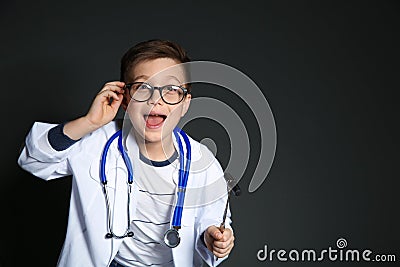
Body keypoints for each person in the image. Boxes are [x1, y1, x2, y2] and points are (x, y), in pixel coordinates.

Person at [17, 39, 234, 267]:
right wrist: (89, 122)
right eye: (142, 88)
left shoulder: (204, 162)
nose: (155, 100)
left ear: (185, 104)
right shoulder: (97, 142)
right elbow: (35, 159)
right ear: (125, 99)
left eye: (171, 90)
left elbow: (213, 217)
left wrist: (214, 237)